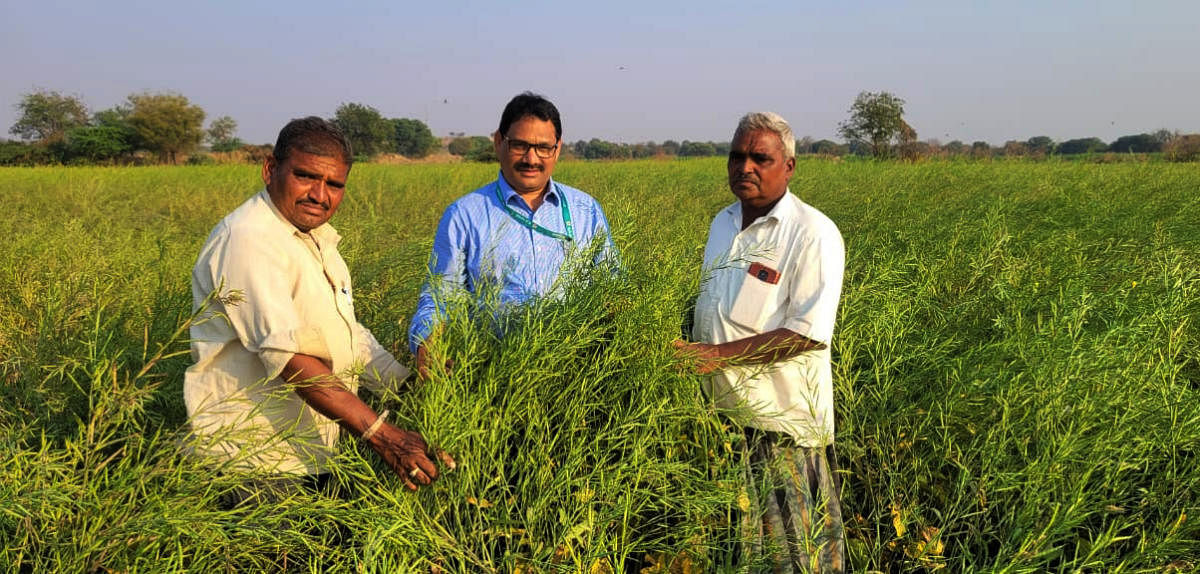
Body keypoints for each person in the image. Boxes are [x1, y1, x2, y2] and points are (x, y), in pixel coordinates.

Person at [185, 117, 451, 503]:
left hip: (311, 455)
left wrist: (411, 386)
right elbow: (290, 358)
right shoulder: (250, 239)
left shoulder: (314, 239)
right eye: (305, 176)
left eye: (334, 185)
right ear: (269, 169)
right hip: (255, 464)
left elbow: (350, 337)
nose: (319, 194)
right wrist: (382, 434)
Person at [674, 112, 846, 572]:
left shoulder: (812, 233)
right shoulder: (722, 224)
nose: (744, 167)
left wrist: (710, 357)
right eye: (736, 156)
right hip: (722, 423)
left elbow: (806, 334)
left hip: (780, 430)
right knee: (736, 552)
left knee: (794, 557)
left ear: (788, 166)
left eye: (760, 158)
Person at [409, 92, 615, 376]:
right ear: (498, 142)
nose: (532, 159)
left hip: (577, 376)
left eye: (543, 147)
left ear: (557, 150)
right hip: (492, 375)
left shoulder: (585, 210)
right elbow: (439, 296)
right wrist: (427, 345)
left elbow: (613, 286)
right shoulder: (465, 215)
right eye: (520, 145)